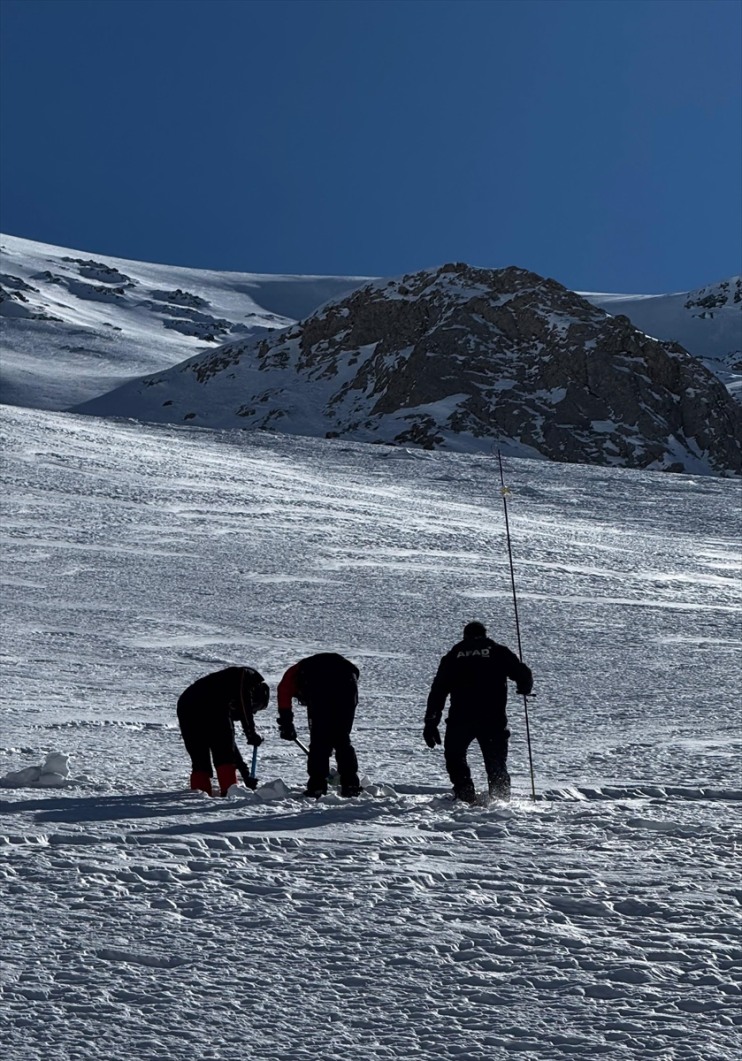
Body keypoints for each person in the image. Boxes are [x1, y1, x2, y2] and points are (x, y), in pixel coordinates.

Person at [423, 621, 533, 803]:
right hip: (493, 719)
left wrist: (431, 722)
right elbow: (523, 674)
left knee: (455, 756)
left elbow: (438, 691)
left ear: (465, 635)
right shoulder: (498, 651)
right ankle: (500, 800)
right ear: (484, 634)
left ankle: (465, 795)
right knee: (496, 762)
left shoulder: (454, 655)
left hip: (461, 718)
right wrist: (524, 687)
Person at [277, 652, 362, 798]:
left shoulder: (294, 674)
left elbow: (283, 692)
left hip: (321, 685)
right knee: (342, 738)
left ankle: (317, 786)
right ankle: (351, 784)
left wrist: (286, 723)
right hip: (349, 685)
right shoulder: (308, 668)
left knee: (319, 741)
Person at [177, 666, 269, 796]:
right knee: (223, 755)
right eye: (254, 708)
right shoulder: (245, 677)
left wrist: (245, 774)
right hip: (206, 706)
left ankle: (198, 795)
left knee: (201, 756)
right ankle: (231, 793)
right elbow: (244, 707)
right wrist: (251, 733)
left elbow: (230, 743)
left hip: (186, 706)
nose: (252, 711)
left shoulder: (225, 691)